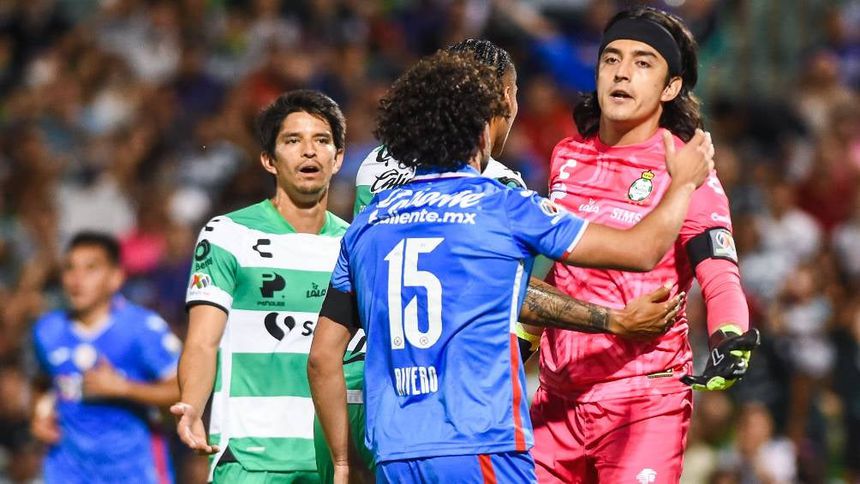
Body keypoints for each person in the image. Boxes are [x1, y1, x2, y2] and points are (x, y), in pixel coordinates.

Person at [308, 50, 713, 483]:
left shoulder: (369, 222)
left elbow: (322, 358)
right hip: (480, 442)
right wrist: (683, 184)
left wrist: (343, 461)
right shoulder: (503, 205)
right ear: (484, 128)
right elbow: (642, 250)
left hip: (395, 450)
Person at [529, 6, 761, 483]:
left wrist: (728, 335)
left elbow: (719, 272)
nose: (622, 72)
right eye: (611, 59)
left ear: (670, 87)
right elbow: (565, 269)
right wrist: (523, 338)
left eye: (642, 62)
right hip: (556, 401)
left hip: (644, 400)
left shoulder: (687, 169)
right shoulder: (567, 156)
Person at [170, 89, 349, 483]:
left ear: (337, 158)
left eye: (321, 140)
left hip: (329, 462)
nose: (309, 151)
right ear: (269, 159)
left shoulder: (354, 246)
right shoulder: (227, 235)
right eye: (293, 140)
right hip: (249, 462)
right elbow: (202, 342)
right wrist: (193, 404)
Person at [31, 232, 181, 483]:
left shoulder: (142, 328)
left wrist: (124, 388)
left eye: (91, 268)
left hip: (132, 470)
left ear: (115, 277)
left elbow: (182, 390)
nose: (77, 279)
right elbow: (42, 380)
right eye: (70, 268)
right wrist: (39, 412)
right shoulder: (47, 330)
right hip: (68, 470)